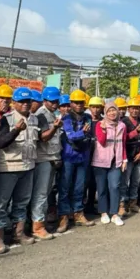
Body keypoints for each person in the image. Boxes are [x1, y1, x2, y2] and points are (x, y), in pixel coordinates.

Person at [0, 87, 39, 253]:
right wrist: (16, 130)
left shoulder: (35, 119)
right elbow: (0, 143)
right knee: (1, 204)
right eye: (21, 102)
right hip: (8, 167)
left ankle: (19, 233)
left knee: (22, 202)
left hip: (28, 166)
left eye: (28, 101)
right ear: (14, 103)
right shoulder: (6, 119)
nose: (25, 104)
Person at [56, 91, 94, 232]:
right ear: (71, 103)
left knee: (79, 188)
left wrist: (85, 136)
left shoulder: (88, 118)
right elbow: (71, 136)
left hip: (83, 157)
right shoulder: (66, 119)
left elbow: (90, 135)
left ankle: (78, 213)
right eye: (76, 102)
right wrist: (82, 133)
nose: (78, 105)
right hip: (69, 157)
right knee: (64, 188)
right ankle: (64, 216)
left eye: (81, 102)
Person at [29, 86, 63, 241]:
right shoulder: (41, 115)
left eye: (56, 101)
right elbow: (43, 137)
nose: (55, 104)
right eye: (52, 101)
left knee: (46, 192)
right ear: (45, 101)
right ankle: (37, 226)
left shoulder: (51, 114)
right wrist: (55, 127)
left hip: (51, 157)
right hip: (43, 158)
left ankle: (39, 221)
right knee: (41, 194)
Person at [92, 102, 127, 225]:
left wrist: (124, 159)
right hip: (101, 160)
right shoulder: (100, 124)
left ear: (117, 111)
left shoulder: (122, 126)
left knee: (115, 187)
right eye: (109, 111)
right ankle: (103, 212)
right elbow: (101, 141)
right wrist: (103, 129)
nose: (112, 113)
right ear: (105, 113)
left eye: (114, 110)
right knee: (102, 188)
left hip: (116, 161)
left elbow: (123, 143)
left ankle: (114, 214)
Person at [119, 97, 140, 216]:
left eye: (137, 108)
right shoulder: (123, 122)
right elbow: (122, 139)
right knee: (125, 182)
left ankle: (133, 203)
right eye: (132, 108)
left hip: (138, 156)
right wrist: (135, 132)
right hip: (127, 156)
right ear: (128, 109)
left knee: (136, 181)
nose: (135, 111)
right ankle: (122, 205)